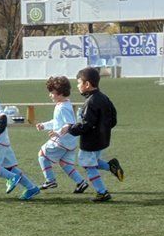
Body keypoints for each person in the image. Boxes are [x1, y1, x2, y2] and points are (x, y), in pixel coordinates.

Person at [65, 67, 123, 202]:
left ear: (87, 84)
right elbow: (113, 118)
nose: (78, 86)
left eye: (79, 83)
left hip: (90, 142)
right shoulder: (104, 97)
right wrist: (104, 130)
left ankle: (102, 192)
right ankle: (111, 166)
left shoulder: (90, 102)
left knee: (88, 165)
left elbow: (85, 124)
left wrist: (71, 129)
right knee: (94, 162)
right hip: (102, 140)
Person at [35, 76, 89, 193]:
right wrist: (44, 125)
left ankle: (50, 180)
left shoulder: (63, 107)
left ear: (60, 93)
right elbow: (58, 122)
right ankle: (81, 182)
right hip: (70, 142)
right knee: (65, 163)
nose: (50, 95)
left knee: (42, 154)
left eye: (52, 93)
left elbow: (69, 124)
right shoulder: (64, 104)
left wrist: (57, 133)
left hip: (61, 141)